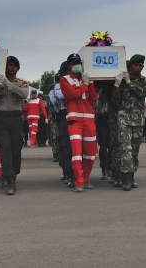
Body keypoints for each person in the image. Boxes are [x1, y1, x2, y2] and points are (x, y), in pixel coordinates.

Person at [0, 56, 29, 195]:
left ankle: (13, 175)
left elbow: (24, 94)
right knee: (5, 150)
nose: (12, 67)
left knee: (16, 150)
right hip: (1, 120)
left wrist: (8, 84)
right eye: (9, 64)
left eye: (15, 65)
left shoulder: (22, 83)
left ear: (18, 68)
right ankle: (10, 182)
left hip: (15, 119)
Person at [113, 54, 146, 191]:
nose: (139, 67)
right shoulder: (122, 81)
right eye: (136, 65)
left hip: (138, 120)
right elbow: (115, 102)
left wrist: (129, 83)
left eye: (141, 65)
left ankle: (132, 174)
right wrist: (117, 87)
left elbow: (141, 94)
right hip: (124, 119)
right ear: (130, 67)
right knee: (126, 149)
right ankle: (125, 178)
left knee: (135, 151)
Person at [60, 53, 98, 193]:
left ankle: (86, 179)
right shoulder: (64, 80)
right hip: (74, 121)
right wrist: (85, 85)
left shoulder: (86, 79)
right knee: (76, 153)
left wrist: (91, 84)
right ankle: (79, 181)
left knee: (90, 153)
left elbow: (93, 100)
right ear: (69, 65)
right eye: (74, 63)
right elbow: (73, 94)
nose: (77, 65)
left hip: (89, 119)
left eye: (79, 62)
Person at [55, 62, 74, 187]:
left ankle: (79, 173)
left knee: (78, 147)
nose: (69, 73)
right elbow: (62, 95)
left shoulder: (79, 81)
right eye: (67, 71)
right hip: (64, 115)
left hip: (77, 113)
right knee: (67, 147)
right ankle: (69, 172)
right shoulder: (58, 86)